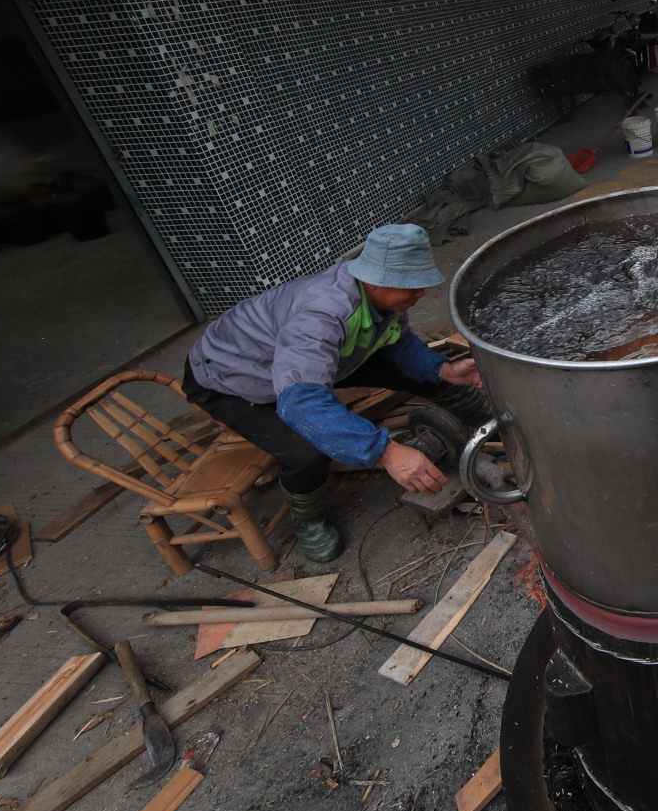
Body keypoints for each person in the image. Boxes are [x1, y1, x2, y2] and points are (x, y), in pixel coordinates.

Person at [182, 223, 487, 562]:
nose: (421, 295)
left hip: (310, 362)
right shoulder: (322, 317)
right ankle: (308, 519)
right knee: (305, 453)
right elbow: (301, 403)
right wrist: (386, 452)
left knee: (425, 372)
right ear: (374, 280)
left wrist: (442, 370)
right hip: (231, 376)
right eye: (411, 287)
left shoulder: (381, 301)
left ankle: (491, 419)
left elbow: (398, 345)